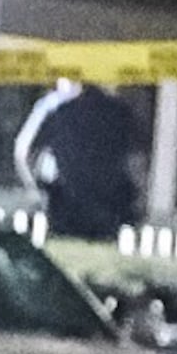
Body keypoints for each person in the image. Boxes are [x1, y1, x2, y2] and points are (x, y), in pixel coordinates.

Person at [16, 78, 145, 241]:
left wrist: (35, 191)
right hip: (110, 208)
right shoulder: (120, 113)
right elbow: (137, 159)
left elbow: (23, 152)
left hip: (67, 206)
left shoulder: (60, 111)